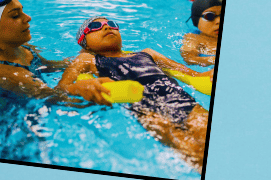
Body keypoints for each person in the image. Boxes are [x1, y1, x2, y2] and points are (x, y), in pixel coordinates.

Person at [57, 16, 212, 170]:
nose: (107, 27)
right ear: (85, 43)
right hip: (146, 109)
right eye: (96, 26)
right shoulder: (86, 59)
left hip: (182, 101)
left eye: (111, 24)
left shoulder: (147, 53)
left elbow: (193, 75)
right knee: (193, 152)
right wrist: (79, 87)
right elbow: (61, 88)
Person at [0, 0, 71, 100]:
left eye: (22, 11)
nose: (28, 18)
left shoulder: (22, 47)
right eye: (15, 15)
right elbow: (58, 100)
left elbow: (48, 66)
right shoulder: (4, 72)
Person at [181, 0, 221, 66]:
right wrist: (212, 60)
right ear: (196, 20)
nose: (219, 21)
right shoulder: (194, 39)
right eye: (209, 16)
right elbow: (189, 58)